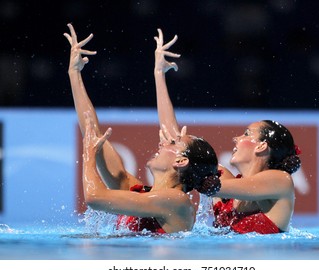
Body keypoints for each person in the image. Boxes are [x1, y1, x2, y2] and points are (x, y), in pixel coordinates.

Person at [63, 23, 221, 234]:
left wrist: (88, 155)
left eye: (172, 143)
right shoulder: (139, 191)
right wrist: (74, 74)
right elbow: (92, 132)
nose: (163, 140)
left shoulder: (178, 201)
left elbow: (94, 198)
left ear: (181, 161)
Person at [153, 28, 301, 234]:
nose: (236, 138)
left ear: (262, 146)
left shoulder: (280, 181)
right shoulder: (227, 182)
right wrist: (159, 74)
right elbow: (176, 143)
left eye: (247, 134)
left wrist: (191, 166)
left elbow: (212, 185)